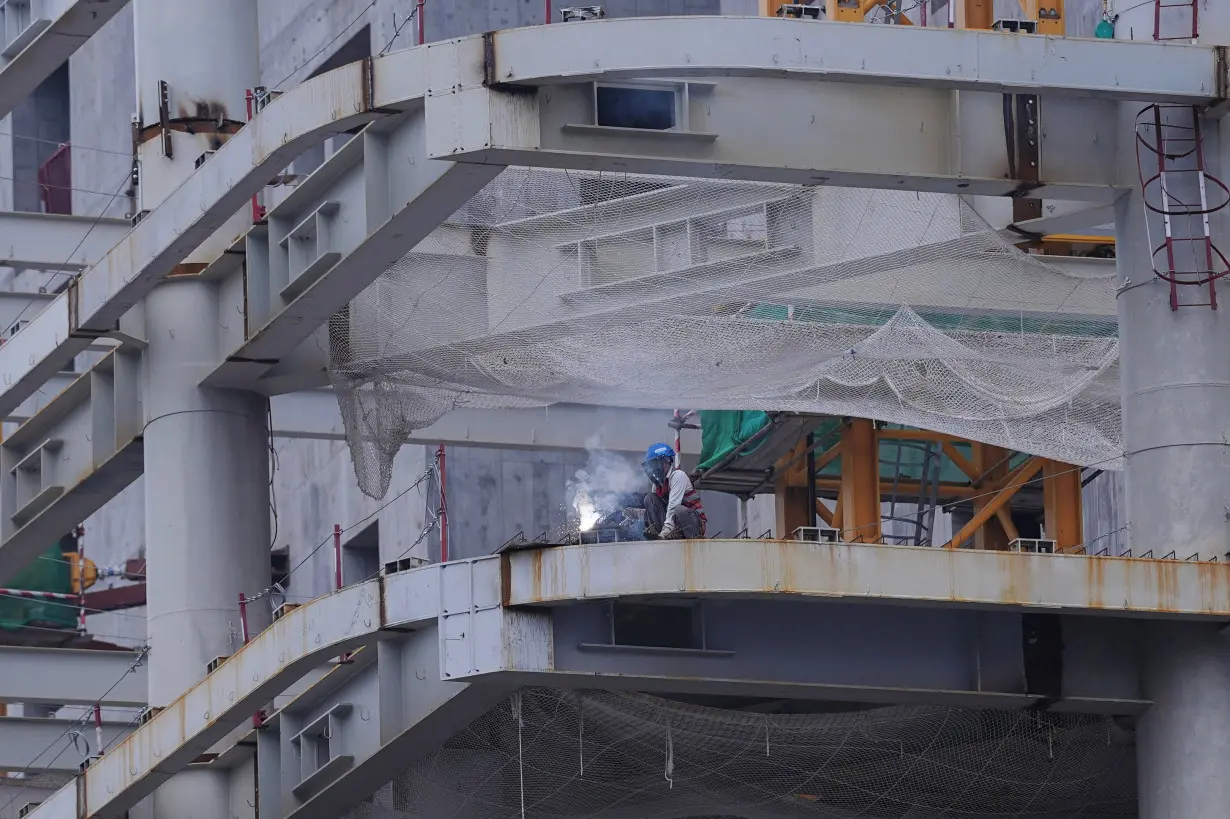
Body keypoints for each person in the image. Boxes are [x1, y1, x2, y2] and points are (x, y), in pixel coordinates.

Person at [641, 442, 706, 539]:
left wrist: (664, 535)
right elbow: (654, 508)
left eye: (654, 465)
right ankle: (659, 534)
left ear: (666, 463)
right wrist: (635, 513)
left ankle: (684, 537)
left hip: (692, 523)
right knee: (650, 498)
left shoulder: (678, 476)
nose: (652, 469)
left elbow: (673, 507)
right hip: (673, 525)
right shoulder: (658, 483)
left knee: (679, 510)